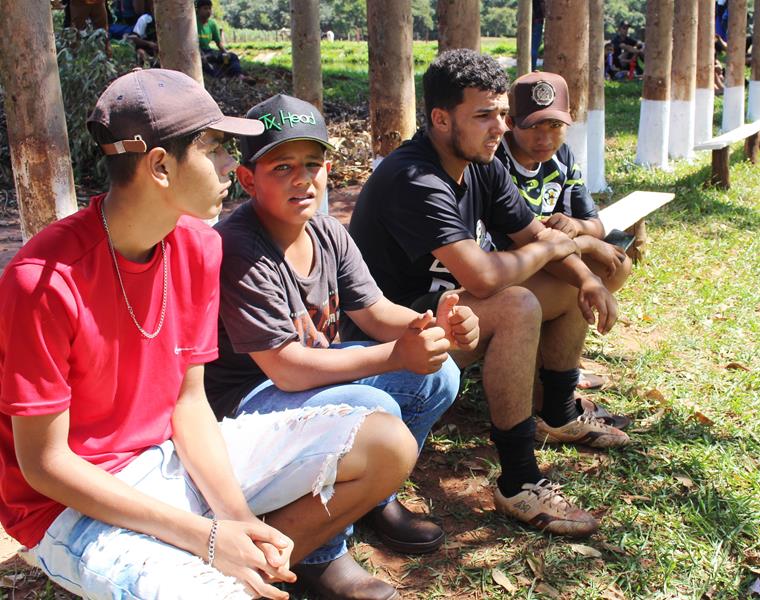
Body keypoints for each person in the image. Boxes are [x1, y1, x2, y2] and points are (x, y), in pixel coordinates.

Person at [0, 68, 417, 600]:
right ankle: (213, 576)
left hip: (170, 458)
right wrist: (206, 536)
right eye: (216, 148)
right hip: (70, 504)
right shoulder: (44, 282)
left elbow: (188, 402)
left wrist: (236, 522)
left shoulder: (199, 246)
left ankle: (252, 570)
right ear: (159, 166)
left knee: (385, 442)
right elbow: (45, 465)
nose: (230, 166)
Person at [205, 93, 479, 599]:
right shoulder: (240, 248)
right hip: (244, 407)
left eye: (312, 164)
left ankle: (372, 496)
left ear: (328, 168)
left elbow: (375, 313)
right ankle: (318, 555)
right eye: (281, 166)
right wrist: (397, 356)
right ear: (247, 180)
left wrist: (434, 325)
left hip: (302, 384)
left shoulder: (328, 231)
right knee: (371, 406)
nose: (301, 178)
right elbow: (285, 369)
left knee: (439, 374)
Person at [348, 49, 631, 538]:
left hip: (454, 319)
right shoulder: (415, 177)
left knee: (565, 282)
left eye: (502, 114)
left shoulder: (481, 161)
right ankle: (519, 480)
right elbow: (481, 276)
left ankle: (558, 413)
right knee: (516, 302)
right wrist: (567, 248)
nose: (499, 127)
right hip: (392, 343)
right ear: (440, 118)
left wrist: (584, 276)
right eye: (484, 115)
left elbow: (531, 237)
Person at [495, 71, 632, 429]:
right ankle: (555, 401)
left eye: (555, 125)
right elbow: (522, 240)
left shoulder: (562, 155)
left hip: (548, 259)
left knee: (618, 264)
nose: (545, 138)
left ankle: (553, 369)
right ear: (510, 123)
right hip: (507, 271)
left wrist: (581, 231)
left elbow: (594, 222)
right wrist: (584, 244)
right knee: (578, 283)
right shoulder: (496, 162)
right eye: (534, 127)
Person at [195, 0, 243, 79]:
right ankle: (223, 77)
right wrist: (201, 56)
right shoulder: (193, 23)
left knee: (232, 57)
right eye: (205, 8)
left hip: (210, 53)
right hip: (198, 54)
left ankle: (240, 75)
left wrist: (225, 53)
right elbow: (193, 44)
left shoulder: (212, 24)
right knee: (209, 67)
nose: (208, 11)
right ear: (198, 10)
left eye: (210, 8)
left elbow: (218, 43)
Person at [128, 0, 158, 67]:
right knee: (141, 53)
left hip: (158, 51)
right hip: (146, 49)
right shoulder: (145, 19)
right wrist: (148, 43)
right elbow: (134, 38)